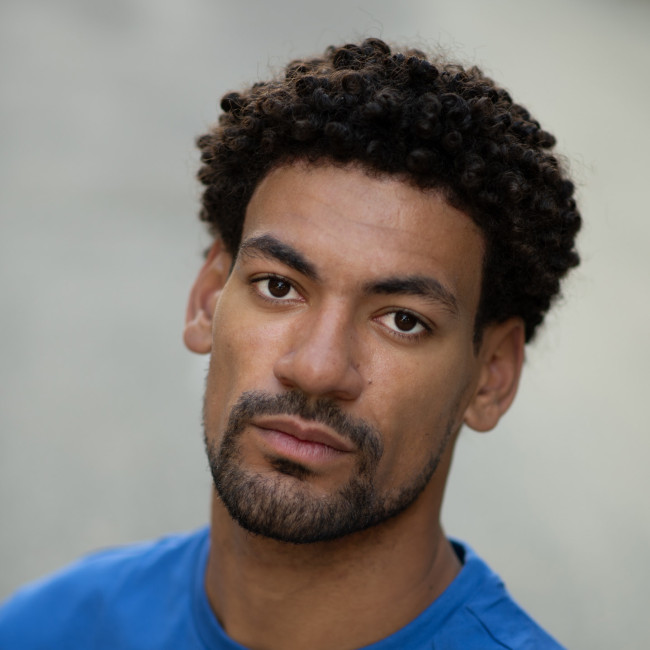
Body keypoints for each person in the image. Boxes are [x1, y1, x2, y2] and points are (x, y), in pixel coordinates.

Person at [0, 38, 581, 649]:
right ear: (208, 299)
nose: (316, 368)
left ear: (491, 376)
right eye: (278, 286)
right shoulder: (48, 629)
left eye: (402, 320)